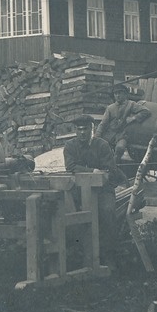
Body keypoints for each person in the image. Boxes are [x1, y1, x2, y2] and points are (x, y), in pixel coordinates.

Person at [63, 114, 126, 268]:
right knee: (69, 211)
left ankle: (109, 254)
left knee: (107, 211)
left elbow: (109, 169)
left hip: (103, 190)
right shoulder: (70, 146)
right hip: (79, 190)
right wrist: (92, 170)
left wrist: (99, 173)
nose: (82, 132)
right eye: (79, 129)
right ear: (75, 130)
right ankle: (77, 252)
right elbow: (70, 167)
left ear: (92, 129)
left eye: (85, 129)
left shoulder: (102, 145)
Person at [95, 83, 151, 163]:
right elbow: (103, 123)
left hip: (122, 135)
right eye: (116, 94)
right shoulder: (110, 108)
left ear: (125, 94)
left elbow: (146, 111)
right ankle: (103, 165)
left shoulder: (131, 104)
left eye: (120, 93)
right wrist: (97, 136)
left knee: (120, 148)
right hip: (110, 134)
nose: (118, 96)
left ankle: (113, 166)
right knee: (101, 147)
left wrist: (133, 118)